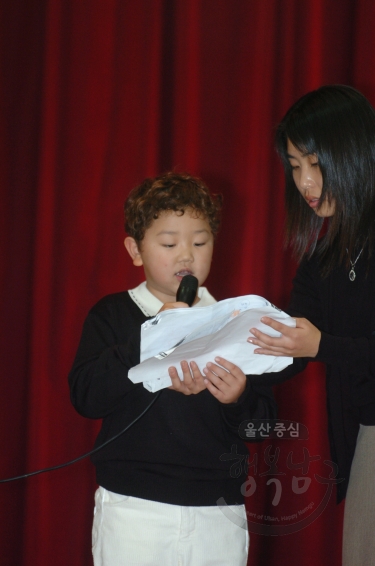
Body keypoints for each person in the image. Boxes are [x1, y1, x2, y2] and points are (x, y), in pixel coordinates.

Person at [69, 171, 277, 566]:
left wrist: (238, 397)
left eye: (200, 242)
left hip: (218, 512)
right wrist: (148, 341)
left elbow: (263, 426)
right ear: (135, 250)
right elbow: (85, 396)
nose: (186, 255)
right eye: (169, 242)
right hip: (134, 508)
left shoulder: (234, 322)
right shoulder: (113, 316)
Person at [247, 85, 375, 566]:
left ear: (353, 151)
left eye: (314, 162)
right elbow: (292, 347)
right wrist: (230, 363)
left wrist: (323, 345)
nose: (304, 181)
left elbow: (319, 345)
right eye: (294, 166)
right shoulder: (322, 258)